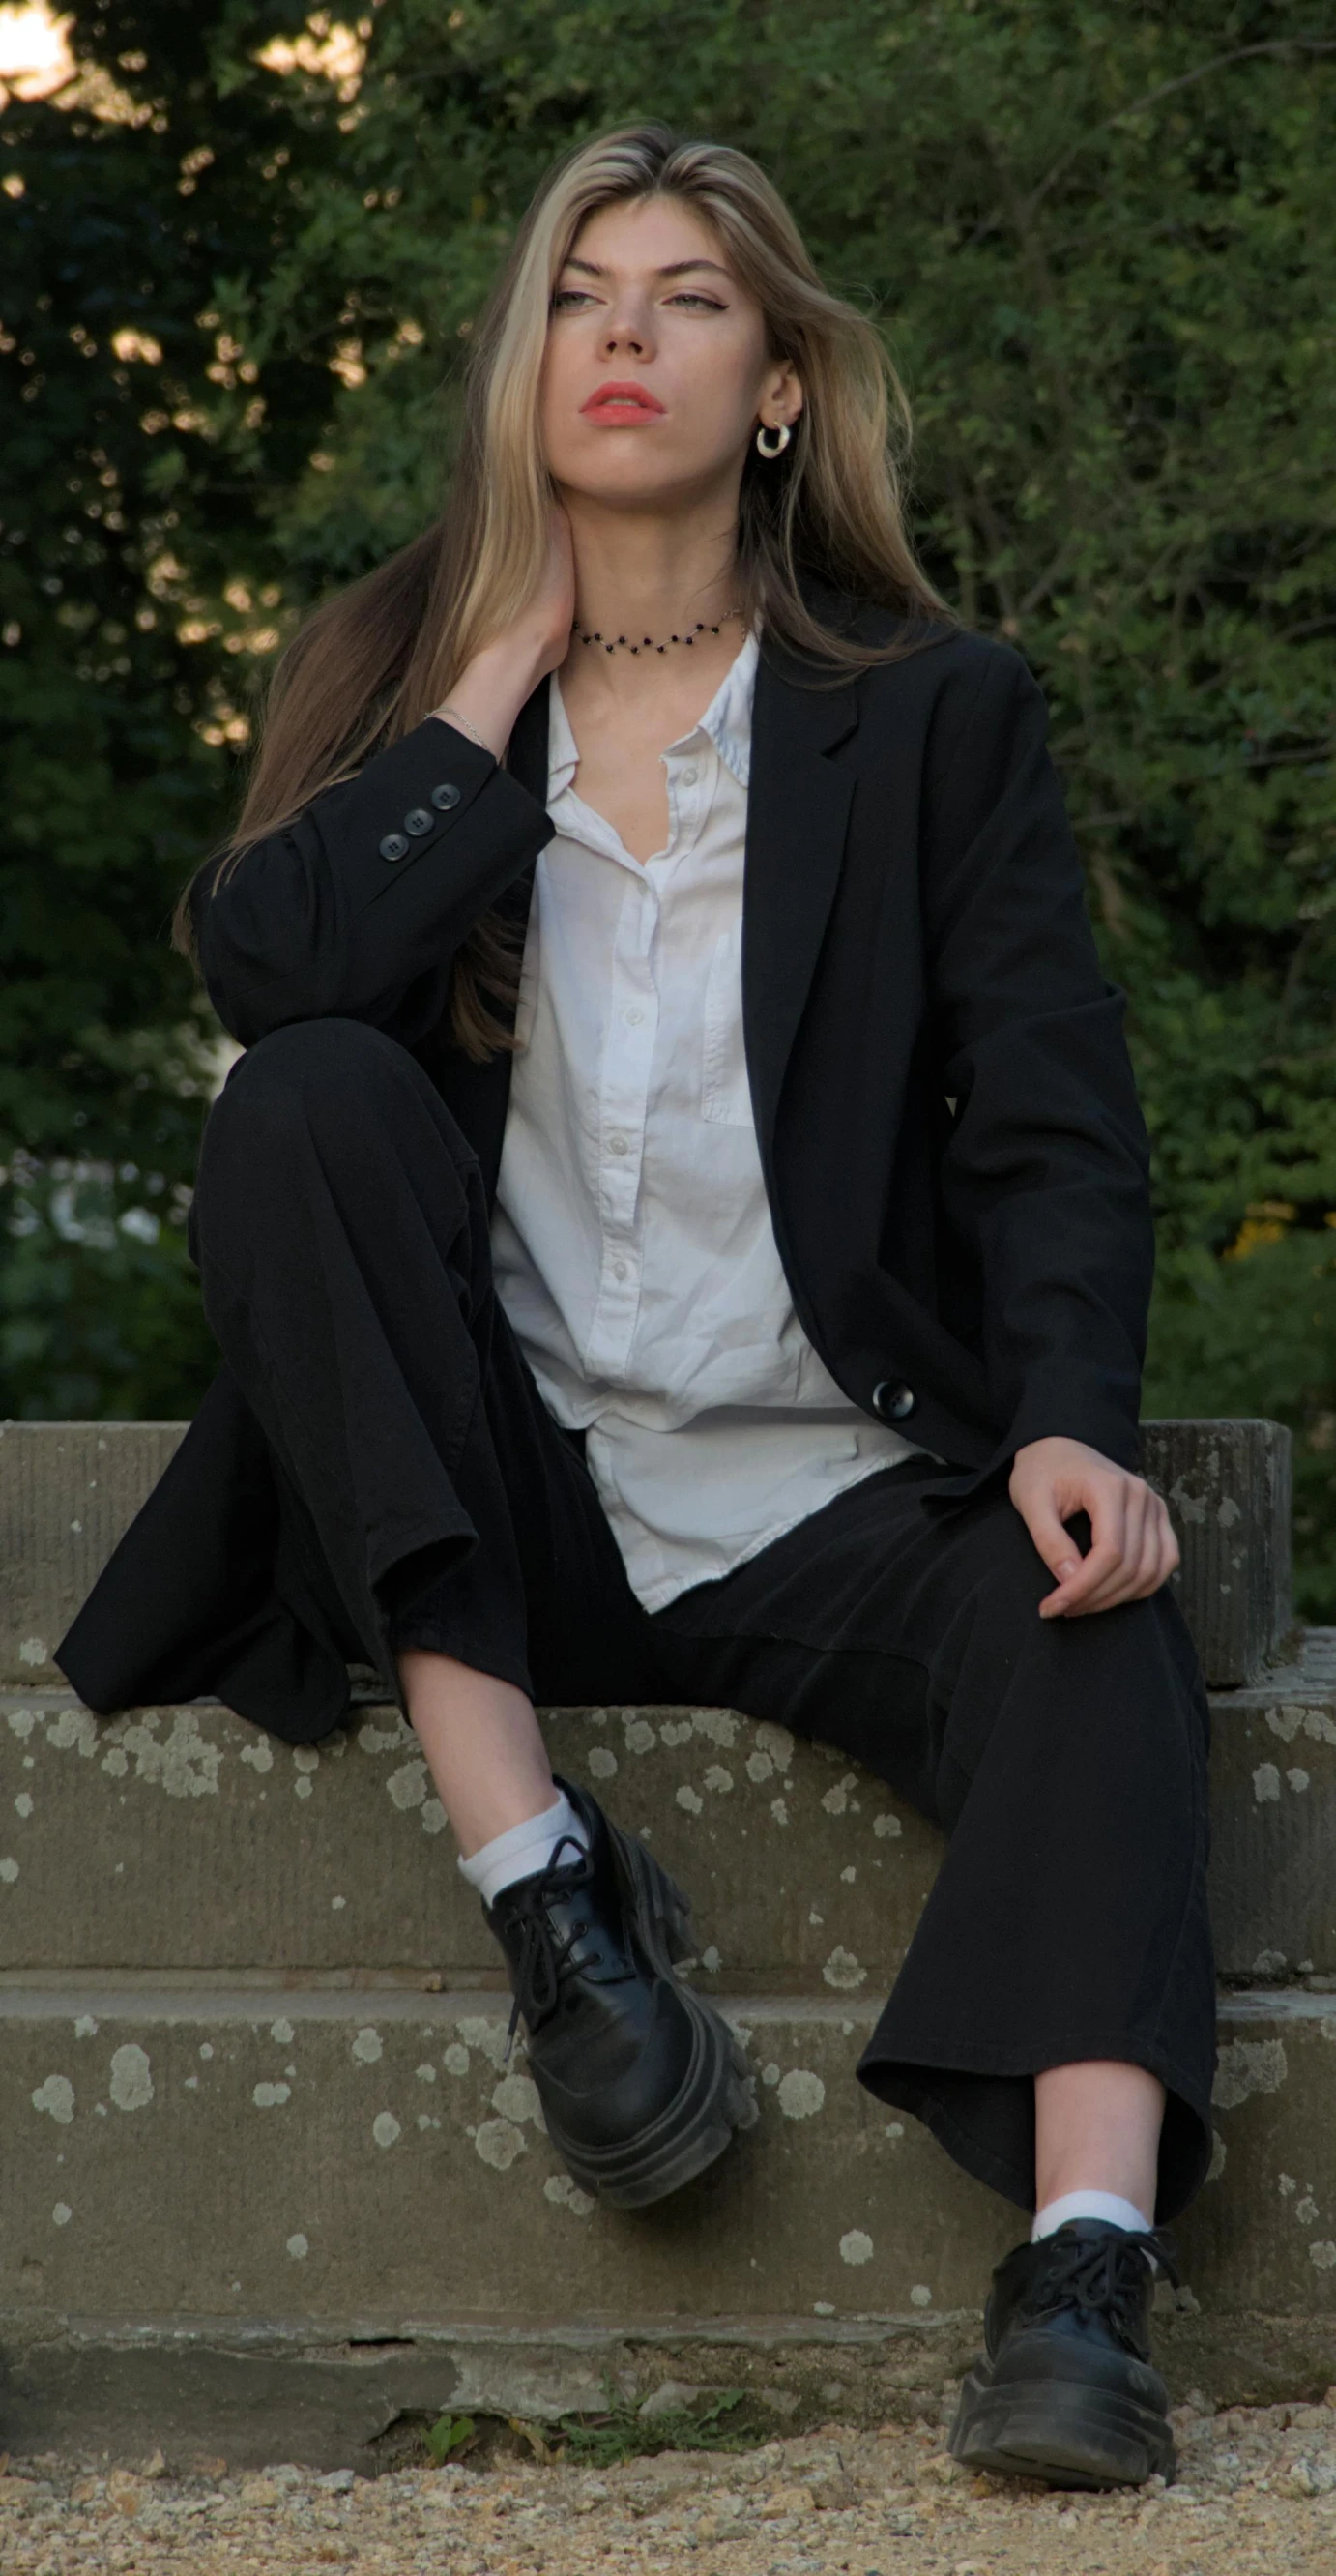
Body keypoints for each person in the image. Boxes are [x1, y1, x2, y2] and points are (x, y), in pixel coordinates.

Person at [58, 122, 1214, 2492]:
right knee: (300, 1108)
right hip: (506, 1489)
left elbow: (1052, 1126)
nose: (623, 332)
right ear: (524, 361)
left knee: (1094, 1608)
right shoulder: (397, 677)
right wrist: (493, 681)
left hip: (828, 1487)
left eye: (687, 295)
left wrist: (1071, 1422)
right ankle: (548, 1892)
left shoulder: (933, 709)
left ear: (776, 382)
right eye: (580, 291)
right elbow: (271, 982)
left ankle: (1085, 2273)